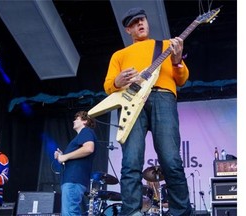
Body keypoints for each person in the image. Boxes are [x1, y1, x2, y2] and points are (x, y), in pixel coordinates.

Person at [103, 7, 192, 216]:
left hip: (163, 97)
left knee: (171, 160)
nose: (140, 24)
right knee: (131, 162)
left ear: (147, 22)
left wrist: (177, 61)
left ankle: (181, 211)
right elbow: (108, 86)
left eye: (141, 20)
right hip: (132, 103)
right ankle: (131, 212)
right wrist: (117, 81)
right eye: (134, 23)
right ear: (128, 30)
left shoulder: (167, 46)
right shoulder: (119, 55)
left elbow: (182, 79)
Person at [54, 111, 97, 216]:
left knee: (69, 212)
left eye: (77, 119)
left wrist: (65, 156)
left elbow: (89, 148)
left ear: (85, 121)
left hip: (73, 180)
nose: (73, 120)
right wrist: (62, 155)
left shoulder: (86, 131)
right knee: (71, 212)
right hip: (73, 179)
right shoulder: (82, 135)